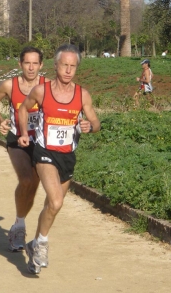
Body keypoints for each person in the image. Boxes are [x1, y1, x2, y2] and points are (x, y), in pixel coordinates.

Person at [18, 44, 100, 274]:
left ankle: (34, 244)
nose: (68, 70)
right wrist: (25, 133)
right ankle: (42, 244)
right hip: (44, 152)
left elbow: (96, 122)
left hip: (67, 156)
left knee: (51, 207)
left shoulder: (82, 94)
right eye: (64, 65)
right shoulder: (41, 91)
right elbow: (23, 109)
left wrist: (89, 126)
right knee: (56, 201)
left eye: (73, 66)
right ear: (55, 65)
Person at [0, 46, 50, 252]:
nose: (31, 68)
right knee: (25, 180)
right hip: (17, 139)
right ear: (20, 64)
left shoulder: (48, 86)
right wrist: (0, 121)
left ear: (41, 65)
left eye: (35, 63)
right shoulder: (9, 85)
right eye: (27, 63)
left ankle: (17, 223)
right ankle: (20, 228)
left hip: (40, 141)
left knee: (32, 188)